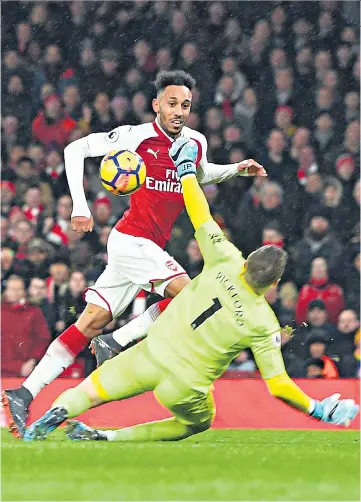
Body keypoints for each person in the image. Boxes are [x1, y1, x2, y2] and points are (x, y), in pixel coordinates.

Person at [23, 137, 358, 442]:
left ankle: (59, 412)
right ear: (273, 285)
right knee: (196, 423)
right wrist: (316, 408)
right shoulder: (264, 323)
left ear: (247, 261)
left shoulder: (225, 258)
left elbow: (200, 212)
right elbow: (279, 385)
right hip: (184, 385)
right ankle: (105, 437)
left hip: (149, 355)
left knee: (91, 391)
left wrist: (185, 171)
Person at [2, 70, 265, 438]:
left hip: (149, 247)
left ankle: (22, 393)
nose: (178, 111)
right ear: (157, 105)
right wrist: (81, 206)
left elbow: (201, 174)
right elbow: (74, 149)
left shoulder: (195, 142)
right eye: (172, 103)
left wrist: (236, 169)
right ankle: (117, 341)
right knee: (190, 295)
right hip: (129, 239)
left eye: (185, 105)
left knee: (90, 322)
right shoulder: (135, 137)